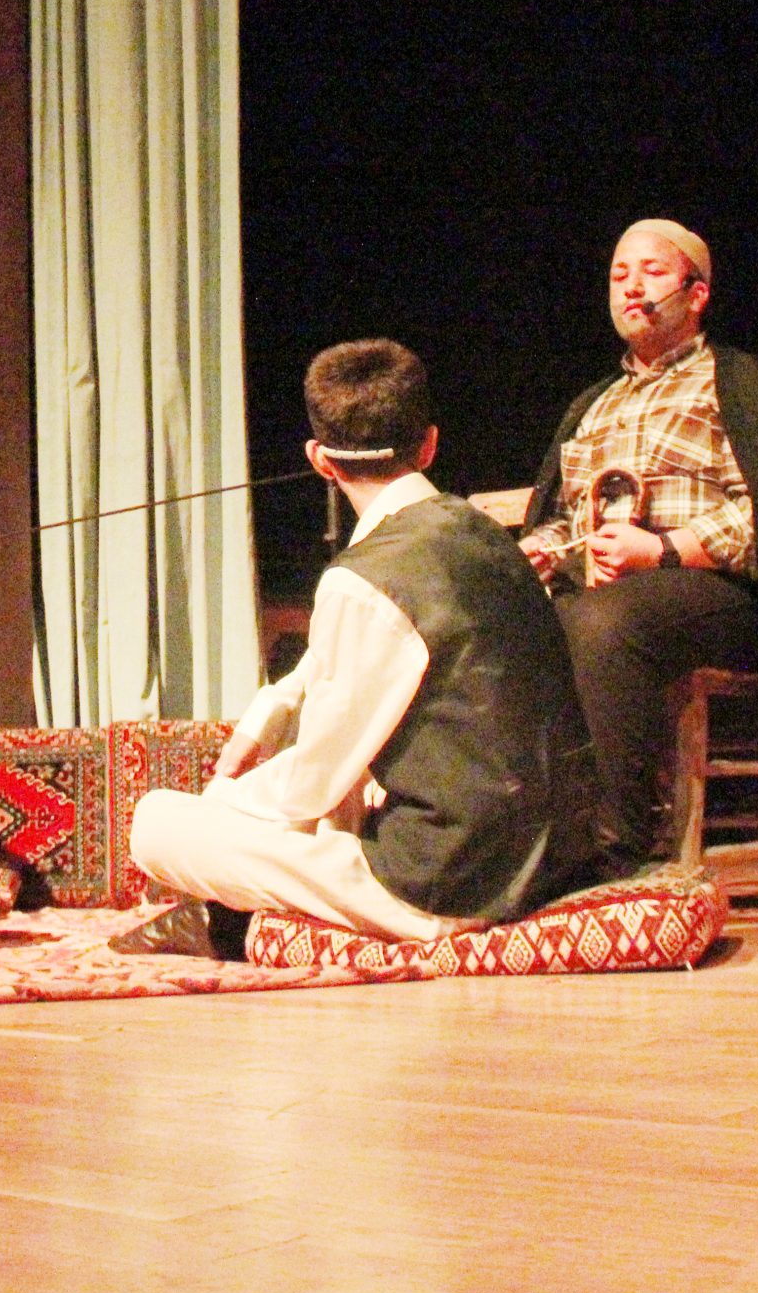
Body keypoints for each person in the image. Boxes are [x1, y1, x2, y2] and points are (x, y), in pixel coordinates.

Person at [114, 340, 608, 957]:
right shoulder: (487, 535)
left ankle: (230, 923)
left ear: (320, 460)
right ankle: (235, 917)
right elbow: (359, 658)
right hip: (560, 855)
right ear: (429, 445)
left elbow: (311, 785)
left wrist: (223, 801)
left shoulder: (364, 579)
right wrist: (269, 715)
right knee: (342, 781)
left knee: (157, 823)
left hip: (454, 882)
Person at [517, 219, 758, 868]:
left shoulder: (736, 384)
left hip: (719, 596)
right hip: (609, 597)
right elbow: (568, 517)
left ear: (696, 293)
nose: (631, 287)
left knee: (603, 621)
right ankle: (524, 845)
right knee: (517, 621)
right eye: (618, 275)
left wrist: (665, 550)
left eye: (651, 272)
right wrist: (541, 551)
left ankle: (618, 852)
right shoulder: (595, 405)